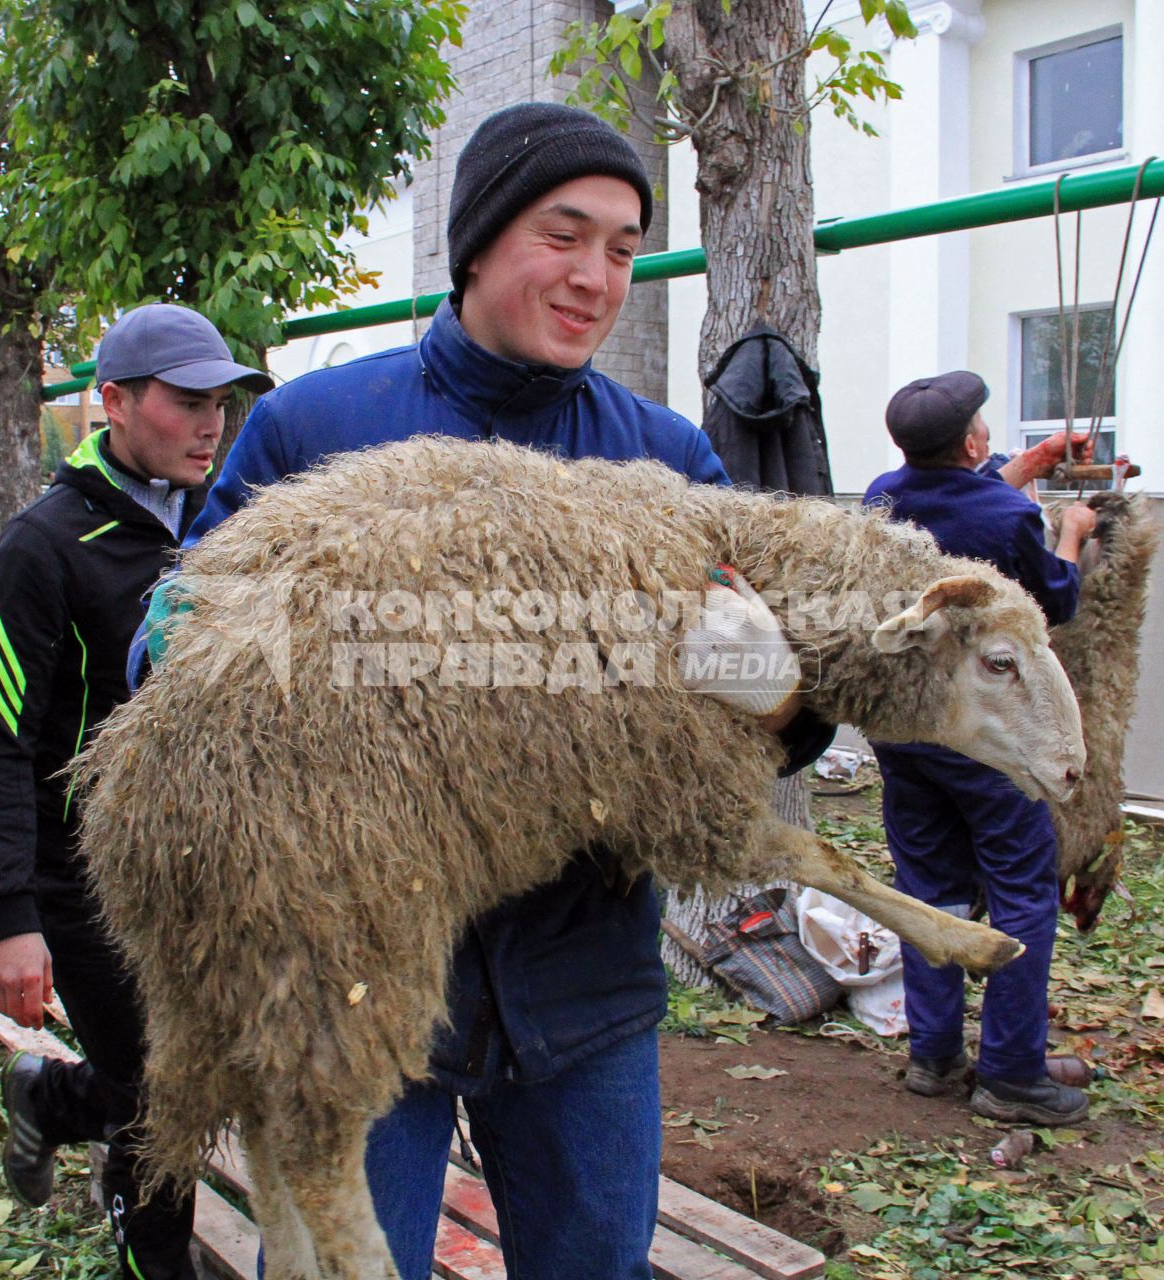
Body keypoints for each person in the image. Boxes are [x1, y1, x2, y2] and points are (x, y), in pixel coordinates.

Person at [136, 103, 836, 1279]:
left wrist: (779, 696)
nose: (597, 277)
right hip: (352, 987)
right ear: (477, 243)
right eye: (564, 235)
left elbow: (785, 738)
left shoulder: (664, 462)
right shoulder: (319, 426)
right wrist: (217, 641)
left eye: (622, 247)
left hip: (587, 991)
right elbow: (168, 674)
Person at [0, 304, 273, 1280]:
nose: (211, 422)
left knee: (197, 1071)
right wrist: (8, 915)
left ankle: (50, 1099)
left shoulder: (230, 524)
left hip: (203, 869)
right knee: (164, 1097)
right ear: (116, 401)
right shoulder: (43, 547)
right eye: (186, 402)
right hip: (85, 886)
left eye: (221, 402)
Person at [863, 371, 1096, 1126]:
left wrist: (1026, 467)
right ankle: (1012, 1074)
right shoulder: (1006, 515)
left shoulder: (880, 498)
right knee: (1022, 893)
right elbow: (1054, 600)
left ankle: (933, 1057)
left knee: (929, 886)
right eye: (985, 431)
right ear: (970, 441)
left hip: (907, 732)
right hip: (990, 737)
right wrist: (1071, 533)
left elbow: (952, 496)